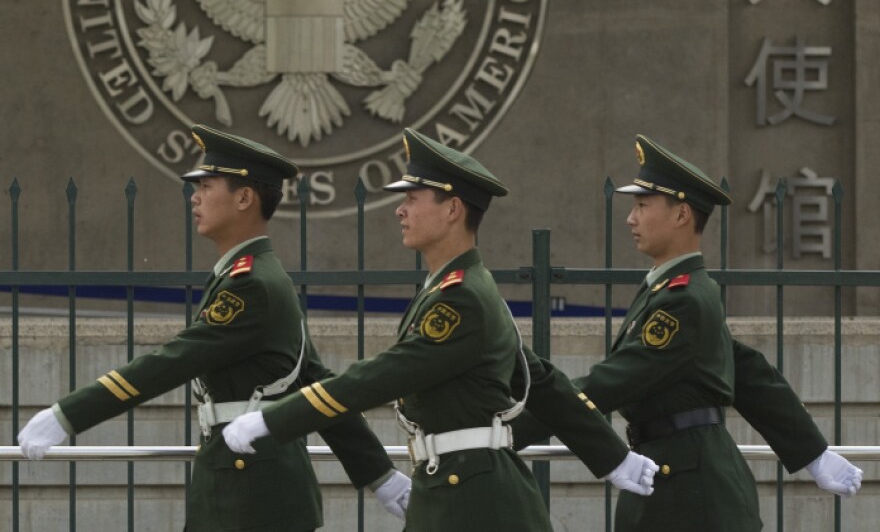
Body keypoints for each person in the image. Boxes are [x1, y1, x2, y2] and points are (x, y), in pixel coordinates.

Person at [221, 127, 659, 531]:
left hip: (474, 499)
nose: (400, 208)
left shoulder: (462, 298)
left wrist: (275, 419)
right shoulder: (456, 289)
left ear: (452, 209)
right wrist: (611, 457)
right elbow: (542, 381)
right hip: (455, 487)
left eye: (414, 197)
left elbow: (386, 374)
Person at [17, 124, 410, 531]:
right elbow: (315, 383)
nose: (196, 197)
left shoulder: (252, 284)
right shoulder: (253, 276)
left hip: (251, 494)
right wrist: (378, 473)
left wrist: (67, 415)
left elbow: (173, 361)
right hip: (248, 487)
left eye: (207, 186)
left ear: (244, 197)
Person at [511, 134, 863, 531]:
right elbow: (749, 373)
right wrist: (812, 452)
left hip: (691, 494)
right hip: (679, 478)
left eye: (643, 206)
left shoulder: (683, 299)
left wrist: (506, 433)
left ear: (681, 215)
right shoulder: (674, 290)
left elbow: (609, 383)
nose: (631, 218)